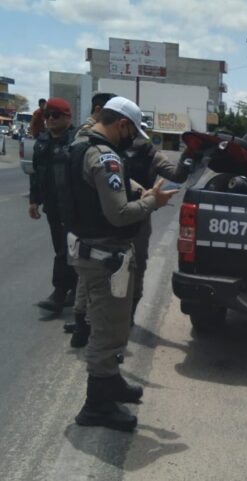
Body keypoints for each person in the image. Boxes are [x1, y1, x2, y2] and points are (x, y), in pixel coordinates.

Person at [65, 96, 178, 431]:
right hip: (104, 257)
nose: (132, 140)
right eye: (132, 132)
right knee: (106, 332)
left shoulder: (80, 145)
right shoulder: (106, 157)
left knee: (111, 326)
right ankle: (96, 406)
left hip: (90, 250)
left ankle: (111, 383)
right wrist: (153, 203)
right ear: (123, 124)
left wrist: (138, 190)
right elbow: (119, 215)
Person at [65, 92, 119, 343]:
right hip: (91, 217)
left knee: (85, 278)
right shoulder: (90, 138)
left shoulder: (85, 136)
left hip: (81, 215)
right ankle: (85, 327)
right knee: (92, 282)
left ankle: (81, 326)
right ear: (99, 110)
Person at [126, 132, 191, 324]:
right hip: (113, 212)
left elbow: (177, 175)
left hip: (140, 216)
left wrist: (188, 154)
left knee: (137, 265)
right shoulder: (111, 149)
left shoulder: (152, 155)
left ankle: (129, 314)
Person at [29, 98, 78, 314]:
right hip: (52, 206)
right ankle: (74, 288)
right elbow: (36, 173)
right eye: (47, 115)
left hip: (73, 207)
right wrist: (34, 200)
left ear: (68, 117)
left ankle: (59, 292)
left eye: (55, 115)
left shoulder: (77, 141)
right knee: (60, 247)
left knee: (65, 249)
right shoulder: (42, 142)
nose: (50, 119)